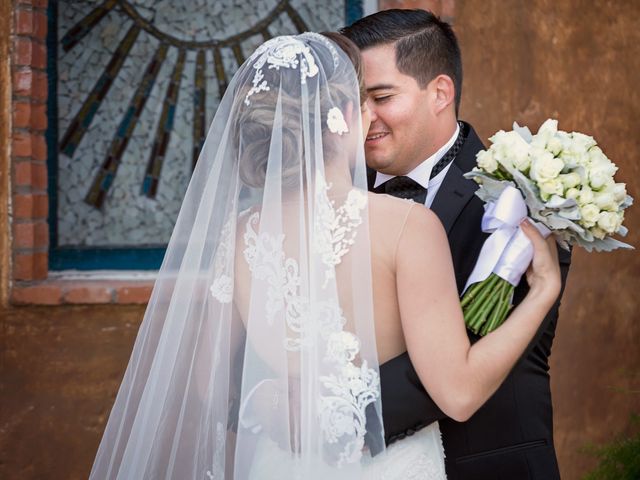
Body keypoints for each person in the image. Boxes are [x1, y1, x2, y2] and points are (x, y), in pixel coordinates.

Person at [89, 32, 560, 480]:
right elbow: (457, 394)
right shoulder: (406, 227)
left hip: (279, 465)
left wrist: (267, 399)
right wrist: (543, 292)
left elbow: (207, 384)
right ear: (346, 117)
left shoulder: (238, 236)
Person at [342, 9, 572, 480]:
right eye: (350, 101)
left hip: (488, 465)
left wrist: (330, 416)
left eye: (381, 96)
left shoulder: (524, 197)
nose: (364, 118)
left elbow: (477, 347)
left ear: (440, 93)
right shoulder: (326, 194)